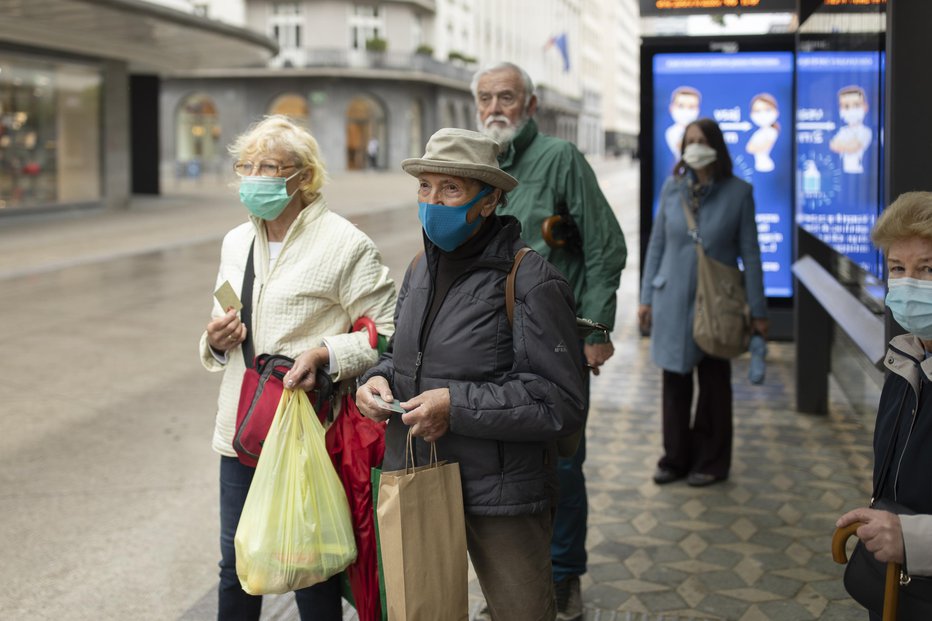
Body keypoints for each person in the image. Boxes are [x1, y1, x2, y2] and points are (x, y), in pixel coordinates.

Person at [356, 128, 586, 621]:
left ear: (490, 199)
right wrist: (375, 381)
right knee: (422, 610)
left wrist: (454, 407)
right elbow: (402, 357)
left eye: (451, 189)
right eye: (425, 187)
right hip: (419, 471)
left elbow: (559, 401)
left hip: (502, 492)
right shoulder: (420, 267)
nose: (433, 201)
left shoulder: (531, 279)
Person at [199, 115, 397, 621]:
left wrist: (327, 354)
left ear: (303, 177)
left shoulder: (344, 243)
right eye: (246, 166)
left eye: (269, 167)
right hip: (241, 429)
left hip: (311, 432)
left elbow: (389, 328)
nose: (253, 177)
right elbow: (222, 316)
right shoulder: (234, 242)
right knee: (236, 563)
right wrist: (215, 340)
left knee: (311, 569)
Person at [471, 61, 626, 620]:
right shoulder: (476, 164)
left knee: (561, 464)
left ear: (530, 105)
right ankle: (515, 586)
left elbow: (606, 246)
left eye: (506, 97)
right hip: (490, 350)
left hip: (556, 347)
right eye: (486, 97)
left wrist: (596, 328)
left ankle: (563, 577)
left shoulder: (560, 159)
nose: (495, 108)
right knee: (502, 473)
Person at [638, 118, 768, 488]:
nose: (694, 146)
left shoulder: (739, 192)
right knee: (674, 383)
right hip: (672, 299)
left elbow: (751, 254)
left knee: (714, 384)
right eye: (689, 140)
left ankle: (711, 461)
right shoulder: (671, 188)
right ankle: (675, 458)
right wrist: (646, 297)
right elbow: (658, 244)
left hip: (718, 304)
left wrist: (758, 311)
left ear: (716, 146)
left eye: (701, 140)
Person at [836, 192, 932, 621]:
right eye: (898, 268)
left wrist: (914, 538)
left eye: (927, 269)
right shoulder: (905, 363)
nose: (909, 283)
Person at [829, 85, 872, 174]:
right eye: (846, 106)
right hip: (843, 173)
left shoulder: (865, 131)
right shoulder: (843, 131)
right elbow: (833, 145)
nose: (851, 110)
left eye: (856, 105)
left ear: (865, 107)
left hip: (858, 174)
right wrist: (846, 145)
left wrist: (843, 145)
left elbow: (854, 147)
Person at [745, 93, 780, 173]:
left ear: (776, 112)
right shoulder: (759, 132)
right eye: (757, 111)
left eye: (767, 110)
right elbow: (749, 148)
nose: (763, 114)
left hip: (766, 166)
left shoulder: (771, 132)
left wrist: (755, 147)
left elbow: (764, 146)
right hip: (759, 166)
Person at [665, 86, 702, 158]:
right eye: (681, 106)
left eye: (691, 107)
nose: (686, 111)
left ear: (698, 110)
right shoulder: (671, 132)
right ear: (671, 108)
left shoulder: (703, 131)